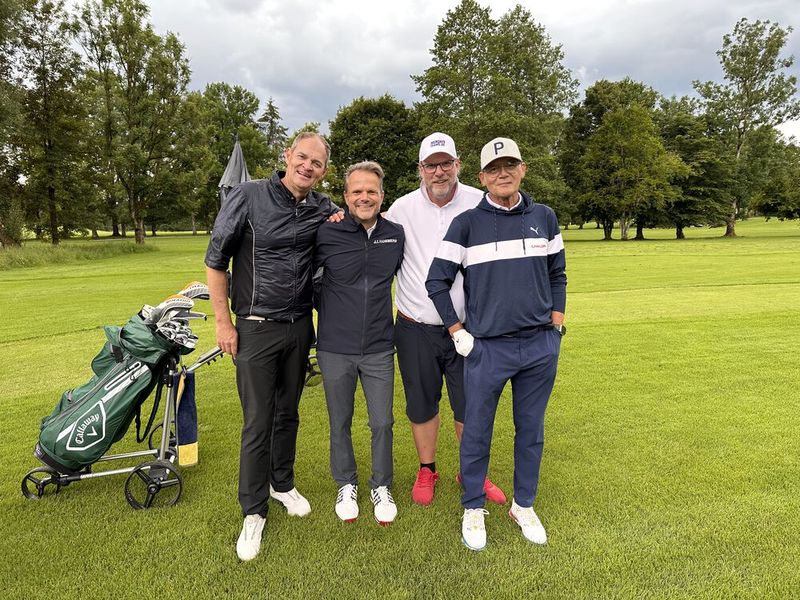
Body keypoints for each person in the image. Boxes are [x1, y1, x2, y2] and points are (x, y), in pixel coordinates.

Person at [205, 132, 342, 561]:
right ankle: (253, 511)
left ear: (323, 170)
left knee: (289, 413)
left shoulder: (323, 207)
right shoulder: (248, 196)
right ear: (287, 156)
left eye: (316, 162)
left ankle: (281, 483)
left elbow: (354, 218)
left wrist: (344, 219)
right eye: (302, 157)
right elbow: (215, 261)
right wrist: (224, 323)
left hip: (300, 327)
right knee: (257, 421)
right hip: (254, 328)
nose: (307, 166)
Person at [426, 137, 567, 551]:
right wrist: (457, 331)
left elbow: (557, 274)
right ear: (482, 176)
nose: (502, 173)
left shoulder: (545, 216)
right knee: (477, 432)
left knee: (531, 430)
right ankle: (473, 507)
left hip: (540, 346)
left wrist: (556, 325)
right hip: (487, 348)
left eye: (510, 165)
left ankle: (523, 505)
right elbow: (436, 280)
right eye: (494, 168)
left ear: (522, 168)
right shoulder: (467, 223)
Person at [385, 132, 506, 506]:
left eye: (445, 164)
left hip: (469, 328)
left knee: (471, 405)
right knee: (421, 405)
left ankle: (472, 471)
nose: (439, 172)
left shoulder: (480, 201)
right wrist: (335, 212)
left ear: (458, 165)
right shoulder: (401, 208)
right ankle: (427, 468)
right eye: (431, 166)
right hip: (414, 326)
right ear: (421, 170)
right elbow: (364, 224)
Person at [314, 161, 405, 525]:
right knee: (340, 421)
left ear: (382, 196)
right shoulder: (326, 232)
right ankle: (345, 483)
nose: (364, 197)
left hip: (381, 345)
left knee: (382, 421)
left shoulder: (396, 234)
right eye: (357, 191)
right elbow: (307, 279)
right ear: (346, 197)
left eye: (371, 191)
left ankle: (381, 485)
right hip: (335, 346)